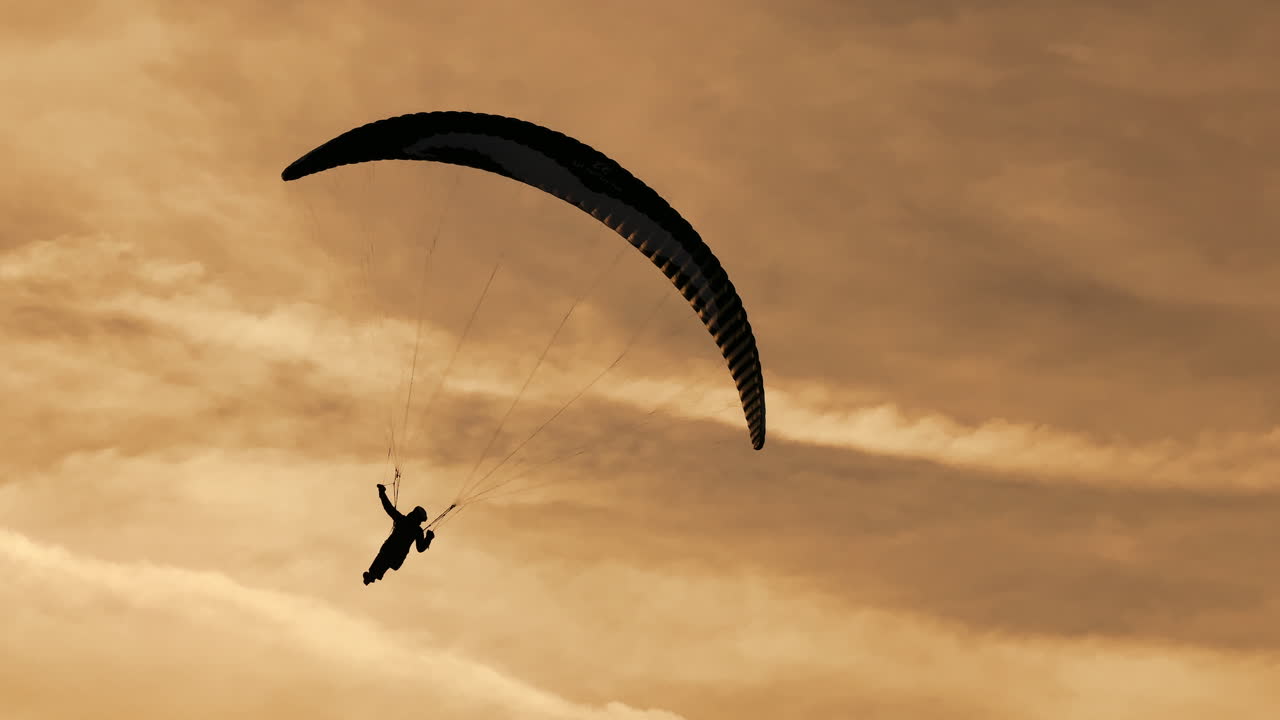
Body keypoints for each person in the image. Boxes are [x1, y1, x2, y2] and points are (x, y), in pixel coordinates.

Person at [362, 481, 434, 586]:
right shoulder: (417, 530)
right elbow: (420, 548)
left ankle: (372, 576)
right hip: (396, 558)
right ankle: (372, 576)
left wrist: (382, 493)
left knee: (382, 559)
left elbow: (388, 508)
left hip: (389, 552)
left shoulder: (402, 520)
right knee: (383, 561)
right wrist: (429, 538)